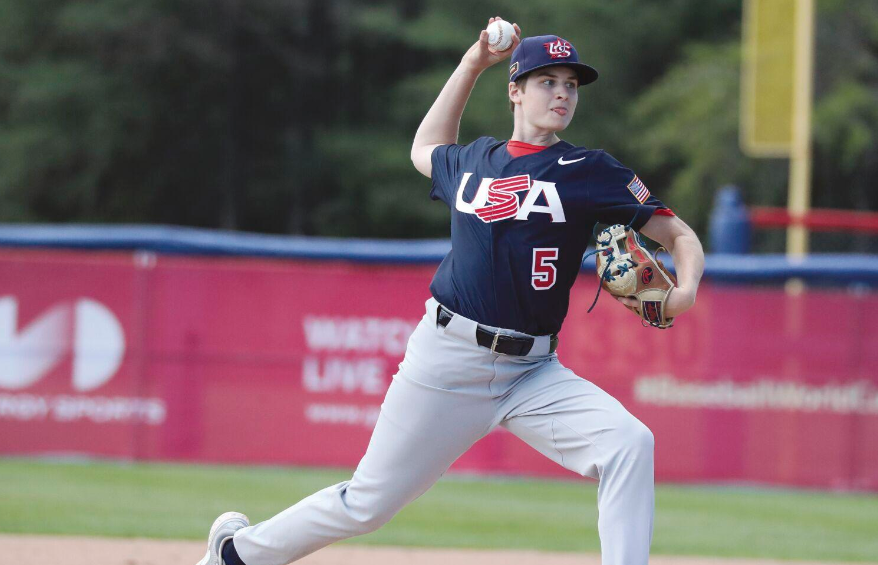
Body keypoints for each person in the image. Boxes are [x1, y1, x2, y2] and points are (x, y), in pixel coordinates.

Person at [196, 17, 705, 565]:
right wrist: (472, 62)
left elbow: (677, 235)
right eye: (547, 81)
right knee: (367, 503)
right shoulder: (473, 161)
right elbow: (425, 147)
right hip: (446, 358)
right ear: (515, 90)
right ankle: (235, 554)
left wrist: (684, 293)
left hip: (533, 373)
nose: (561, 93)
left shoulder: (589, 170)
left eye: (571, 84)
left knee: (630, 445)